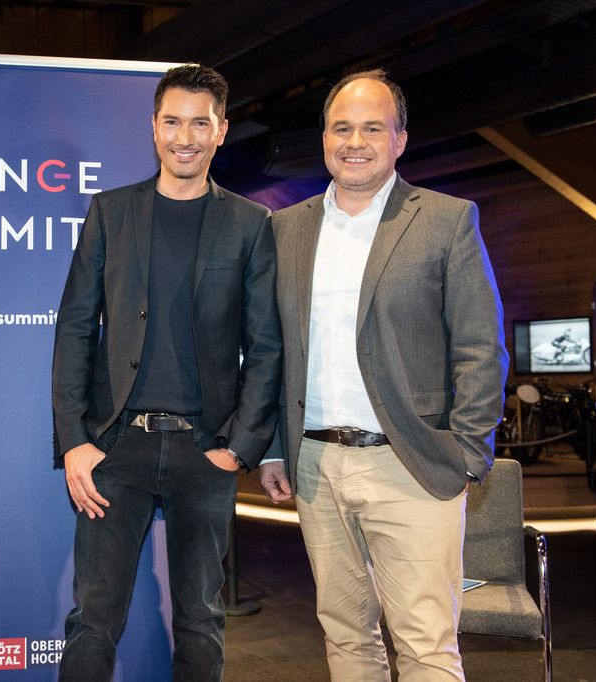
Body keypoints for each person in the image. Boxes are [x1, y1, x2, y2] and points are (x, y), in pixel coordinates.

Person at [259, 69, 507, 681]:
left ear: (400, 140)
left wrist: (467, 451)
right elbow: (270, 348)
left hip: (413, 462)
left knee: (425, 645)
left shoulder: (446, 219)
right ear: (324, 138)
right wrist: (272, 448)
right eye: (341, 128)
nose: (355, 142)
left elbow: (480, 346)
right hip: (315, 466)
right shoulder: (285, 228)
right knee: (346, 637)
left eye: (373, 128)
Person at [52, 64, 282, 682]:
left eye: (200, 124)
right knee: (92, 618)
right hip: (114, 448)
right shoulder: (110, 212)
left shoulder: (251, 224)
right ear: (154, 127)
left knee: (201, 621)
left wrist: (238, 447)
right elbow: (75, 328)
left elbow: (266, 346)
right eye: (173, 121)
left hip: (205, 451)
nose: (185, 137)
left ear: (221, 130)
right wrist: (74, 440)